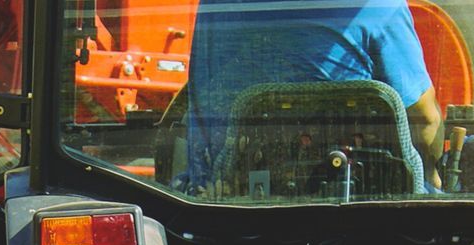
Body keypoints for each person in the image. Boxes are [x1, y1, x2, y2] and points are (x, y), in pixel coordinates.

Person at [182, 0, 444, 192]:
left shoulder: (217, 7)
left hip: (233, 199)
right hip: (358, 202)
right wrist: (432, 174)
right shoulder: (379, 7)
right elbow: (425, 121)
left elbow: (206, 98)